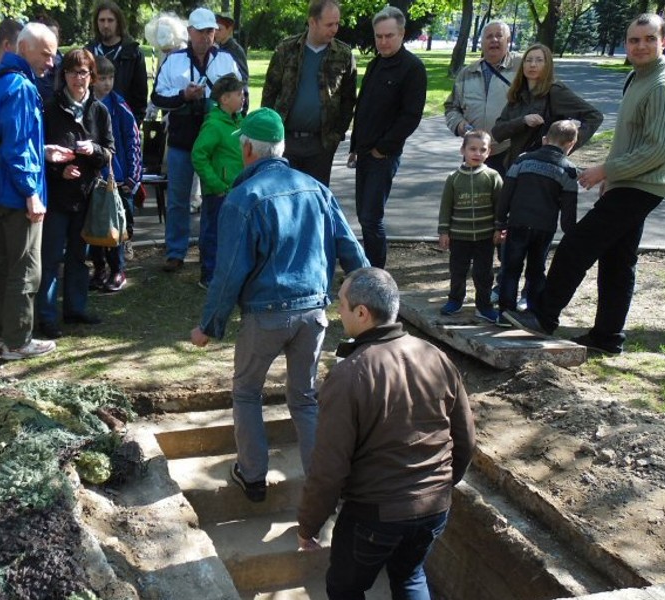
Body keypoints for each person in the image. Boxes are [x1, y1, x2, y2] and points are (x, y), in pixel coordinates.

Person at [189, 108, 367, 503]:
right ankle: (324, 487)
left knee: (247, 392)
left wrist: (209, 326)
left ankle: (252, 478)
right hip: (313, 314)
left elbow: (229, 272)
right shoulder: (315, 188)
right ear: (281, 147)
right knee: (304, 397)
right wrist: (375, 303)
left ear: (248, 149)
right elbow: (350, 249)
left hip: (266, 315)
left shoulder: (243, 198)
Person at [505, 14, 665, 357]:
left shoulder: (664, 85)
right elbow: (633, 140)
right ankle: (607, 337)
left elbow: (657, 150)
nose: (640, 45)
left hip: (643, 184)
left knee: (577, 245)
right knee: (618, 261)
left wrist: (605, 170)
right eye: (634, 40)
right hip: (630, 183)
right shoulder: (641, 78)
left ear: (663, 42)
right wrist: (614, 178)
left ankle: (543, 317)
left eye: (649, 39)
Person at [296, 267, 475, 600]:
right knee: (409, 575)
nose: (338, 311)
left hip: (373, 514)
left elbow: (328, 469)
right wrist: (441, 485)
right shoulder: (436, 357)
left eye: (342, 304)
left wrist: (308, 525)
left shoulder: (350, 374)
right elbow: (465, 439)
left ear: (362, 313)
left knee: (344, 588)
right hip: (434, 508)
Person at [0, 22, 70, 360]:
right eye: (46, 54)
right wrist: (31, 193)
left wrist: (44, 150)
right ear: (22, 48)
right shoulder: (19, 86)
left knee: (4, 263)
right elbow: (16, 148)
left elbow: (12, 140)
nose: (51, 63)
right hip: (18, 194)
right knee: (26, 268)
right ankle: (17, 341)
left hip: (0, 189)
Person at [152, 7, 243, 273]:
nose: (206, 36)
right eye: (201, 31)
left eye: (211, 31)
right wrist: (183, 96)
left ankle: (211, 252)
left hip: (217, 145)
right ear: (190, 32)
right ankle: (175, 251)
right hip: (182, 140)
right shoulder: (174, 60)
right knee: (179, 198)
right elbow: (157, 97)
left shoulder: (226, 61)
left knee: (215, 198)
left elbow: (241, 99)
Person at [37, 48, 115, 340]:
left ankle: (75, 308)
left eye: (83, 72)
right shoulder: (50, 108)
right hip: (57, 197)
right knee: (50, 257)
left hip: (86, 197)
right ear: (64, 75)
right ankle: (46, 315)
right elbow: (39, 153)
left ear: (91, 76)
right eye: (72, 72)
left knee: (79, 257)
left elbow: (109, 152)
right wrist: (60, 171)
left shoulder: (99, 110)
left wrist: (93, 150)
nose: (77, 78)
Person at [350, 6, 427, 269]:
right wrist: (355, 146)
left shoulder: (412, 68)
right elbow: (363, 107)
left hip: (383, 155)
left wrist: (382, 149)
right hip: (364, 152)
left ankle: (375, 274)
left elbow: (410, 116)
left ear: (402, 34)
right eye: (378, 36)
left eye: (389, 36)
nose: (383, 42)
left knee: (372, 218)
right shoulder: (375, 63)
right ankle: (368, 269)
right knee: (364, 217)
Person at [261, 0, 357, 185]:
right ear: (312, 22)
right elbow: (269, 93)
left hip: (321, 145)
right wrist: (269, 131)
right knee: (284, 197)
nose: (335, 29)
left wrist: (337, 134)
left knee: (314, 201)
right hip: (284, 141)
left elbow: (348, 99)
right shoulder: (286, 49)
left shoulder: (344, 55)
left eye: (337, 23)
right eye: (329, 24)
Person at [495, 120, 579, 317]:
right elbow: (569, 207)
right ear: (571, 144)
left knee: (510, 268)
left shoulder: (522, 160)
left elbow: (506, 193)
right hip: (544, 228)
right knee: (536, 270)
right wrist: (570, 232)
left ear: (544, 139)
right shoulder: (568, 170)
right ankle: (533, 312)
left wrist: (500, 221)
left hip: (517, 223)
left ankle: (505, 313)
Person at [490, 44, 602, 170]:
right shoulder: (518, 93)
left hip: (543, 171)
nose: (533, 65)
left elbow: (594, 117)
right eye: (528, 60)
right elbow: (497, 132)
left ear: (547, 65)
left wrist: (561, 149)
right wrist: (523, 121)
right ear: (523, 65)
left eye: (539, 60)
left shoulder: (555, 91)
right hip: (514, 167)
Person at [436, 130, 504, 323]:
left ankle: (483, 306)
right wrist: (444, 231)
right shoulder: (454, 178)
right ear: (462, 150)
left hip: (485, 237)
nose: (477, 153)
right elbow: (445, 207)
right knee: (457, 270)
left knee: (484, 273)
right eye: (472, 149)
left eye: (483, 150)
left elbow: (500, 206)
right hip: (459, 236)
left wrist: (499, 228)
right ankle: (455, 300)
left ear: (489, 152)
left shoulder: (493, 176)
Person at [87, 56, 142, 293]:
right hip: (92, 177)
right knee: (94, 226)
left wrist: (133, 176)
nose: (106, 83)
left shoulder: (119, 106)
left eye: (110, 78)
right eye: (102, 78)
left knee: (116, 227)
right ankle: (99, 268)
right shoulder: (86, 104)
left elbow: (133, 141)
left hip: (116, 177)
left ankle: (117, 269)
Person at [190, 74, 245, 289]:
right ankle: (209, 274)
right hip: (219, 192)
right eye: (239, 94)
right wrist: (215, 184)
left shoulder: (238, 122)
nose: (243, 98)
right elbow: (198, 155)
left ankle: (227, 273)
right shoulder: (214, 125)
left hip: (236, 190)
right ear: (224, 99)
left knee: (232, 234)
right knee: (213, 233)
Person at [443, 20, 519, 172]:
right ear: (482, 42)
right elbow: (451, 107)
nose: (494, 40)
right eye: (489, 36)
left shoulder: (521, 68)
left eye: (499, 36)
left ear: (508, 40)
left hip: (509, 151)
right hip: (474, 153)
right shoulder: (467, 73)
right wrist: (459, 125)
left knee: (504, 195)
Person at [86, 1, 149, 123]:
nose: (105, 25)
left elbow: (140, 97)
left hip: (122, 122)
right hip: (92, 122)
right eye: (102, 20)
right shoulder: (89, 52)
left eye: (110, 20)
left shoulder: (133, 53)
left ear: (118, 22)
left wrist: (132, 123)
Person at [214, 12, 248, 80]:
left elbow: (243, 77)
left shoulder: (235, 50)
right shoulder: (216, 47)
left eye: (219, 29)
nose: (215, 32)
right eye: (214, 29)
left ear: (229, 29)